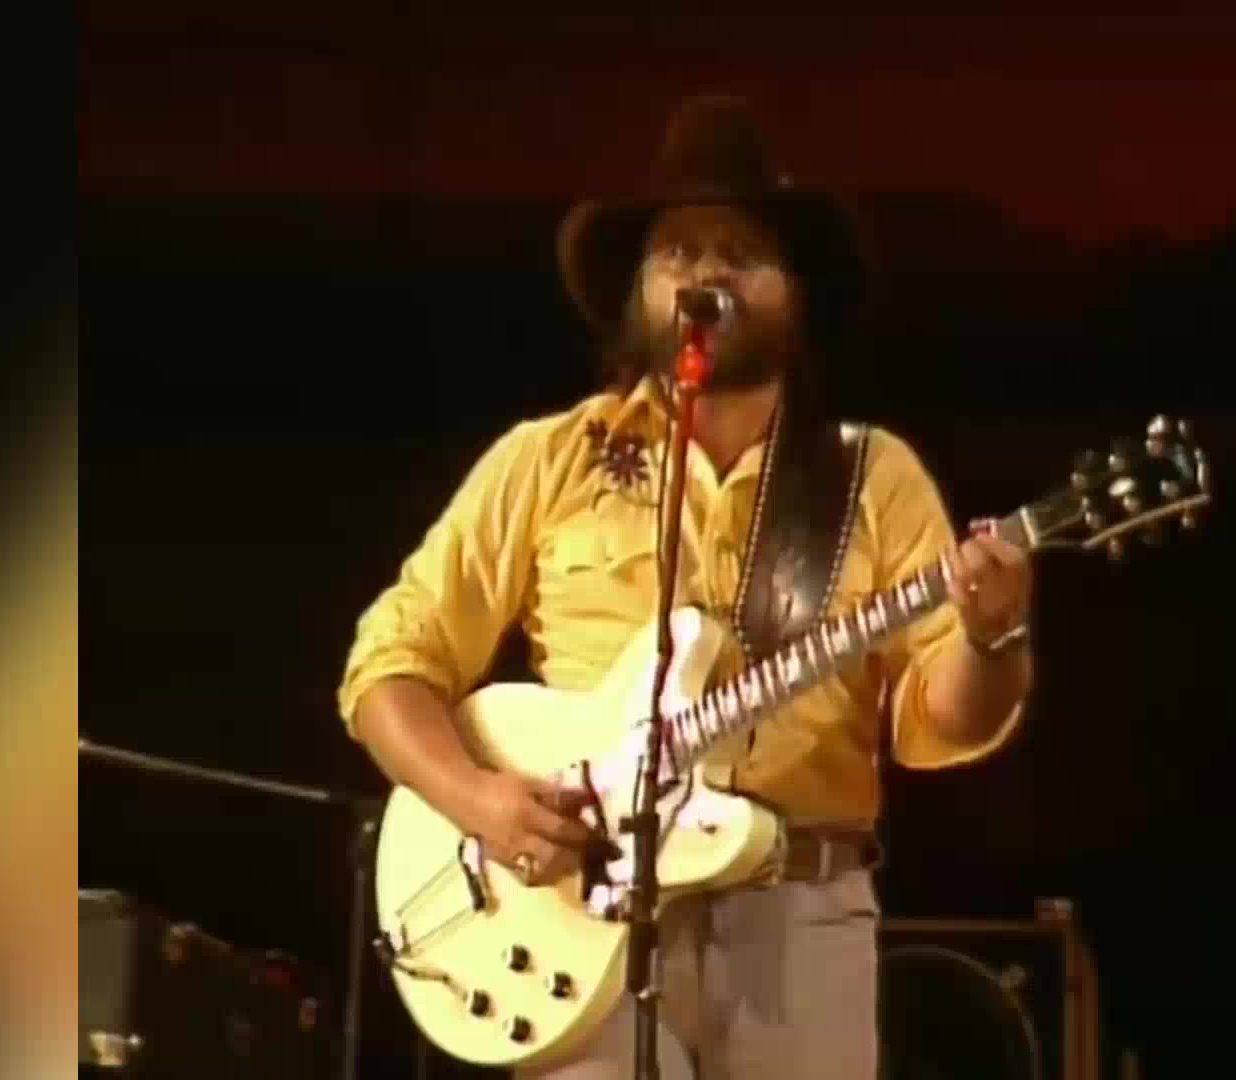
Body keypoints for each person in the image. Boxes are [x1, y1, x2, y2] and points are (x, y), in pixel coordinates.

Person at [337, 95, 1034, 1080]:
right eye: (678, 252)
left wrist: (993, 638)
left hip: (802, 921)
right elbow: (388, 665)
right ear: (639, 289)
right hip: (580, 916)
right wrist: (480, 799)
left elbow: (937, 722)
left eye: (741, 252)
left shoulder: (872, 477)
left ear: (795, 292)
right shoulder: (549, 459)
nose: (707, 272)